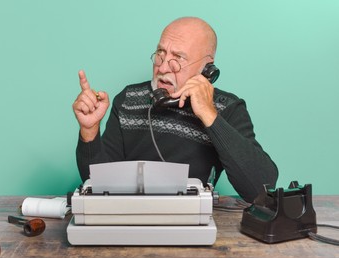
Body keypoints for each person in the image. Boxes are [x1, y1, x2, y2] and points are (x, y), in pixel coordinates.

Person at [72, 17, 278, 203]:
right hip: (129, 216)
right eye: (160, 54)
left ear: (208, 69)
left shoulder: (228, 107)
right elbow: (97, 183)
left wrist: (209, 114)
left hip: (192, 221)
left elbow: (260, 190)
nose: (162, 68)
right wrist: (89, 132)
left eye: (178, 59)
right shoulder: (127, 99)